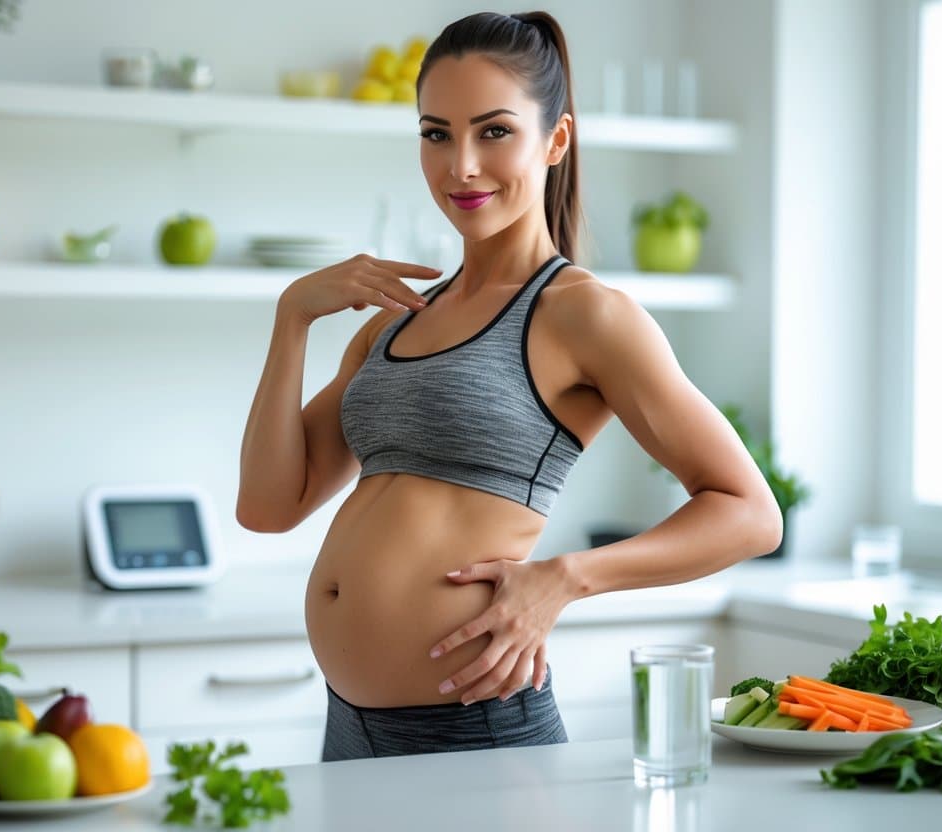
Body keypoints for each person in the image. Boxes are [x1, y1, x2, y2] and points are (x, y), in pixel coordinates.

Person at [237, 11, 782, 762]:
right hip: (347, 725)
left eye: (493, 131)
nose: (459, 165)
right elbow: (268, 506)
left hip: (476, 729)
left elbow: (750, 514)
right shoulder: (393, 322)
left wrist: (565, 578)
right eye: (436, 133)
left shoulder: (583, 314)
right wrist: (290, 317)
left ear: (554, 141)